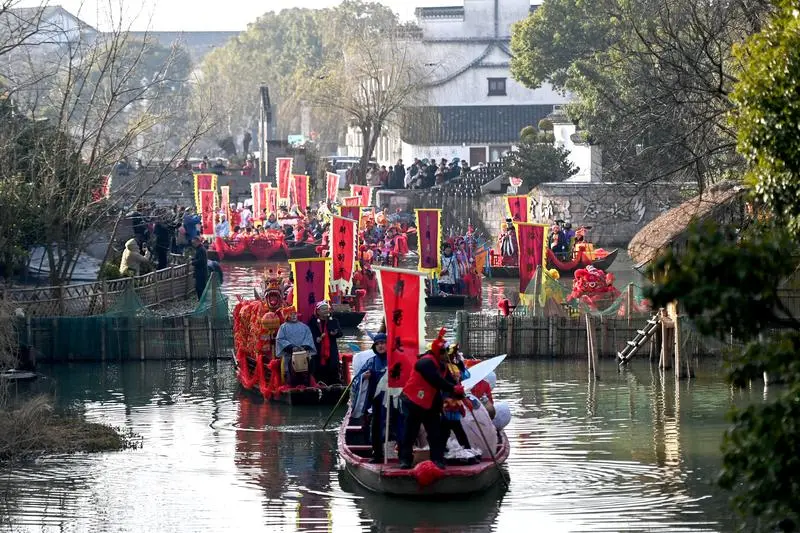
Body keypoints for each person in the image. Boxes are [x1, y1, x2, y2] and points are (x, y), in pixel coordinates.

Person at [398, 329, 464, 469]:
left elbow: (448, 381)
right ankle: (405, 460)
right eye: (444, 353)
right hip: (414, 402)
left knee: (435, 433)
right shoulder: (425, 363)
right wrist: (452, 388)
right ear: (437, 352)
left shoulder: (444, 366)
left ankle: (437, 460)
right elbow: (435, 380)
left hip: (431, 404)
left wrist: (459, 392)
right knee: (410, 432)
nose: (447, 355)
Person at [350, 334, 390, 463]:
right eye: (378, 344)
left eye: (383, 343)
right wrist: (363, 377)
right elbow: (356, 380)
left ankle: (403, 456)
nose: (380, 346)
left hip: (393, 401)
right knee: (376, 428)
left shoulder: (395, 361)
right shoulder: (371, 362)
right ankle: (378, 455)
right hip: (377, 402)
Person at [275, 307, 317, 386]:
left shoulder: (304, 327)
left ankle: (307, 386)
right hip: (290, 355)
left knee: (306, 373)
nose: (294, 316)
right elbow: (280, 339)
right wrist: (291, 347)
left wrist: (304, 347)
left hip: (304, 354)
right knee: (291, 374)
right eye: (291, 314)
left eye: (295, 314)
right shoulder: (283, 327)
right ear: (287, 316)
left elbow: (309, 338)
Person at [307, 301, 343, 385]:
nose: (326, 311)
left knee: (333, 367)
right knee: (319, 369)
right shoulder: (313, 322)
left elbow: (340, 333)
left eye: (327, 309)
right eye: (323, 309)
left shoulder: (333, 321)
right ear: (318, 311)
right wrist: (317, 339)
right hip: (318, 350)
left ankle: (334, 386)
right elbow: (309, 335)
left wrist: (335, 333)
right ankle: (320, 385)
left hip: (331, 349)